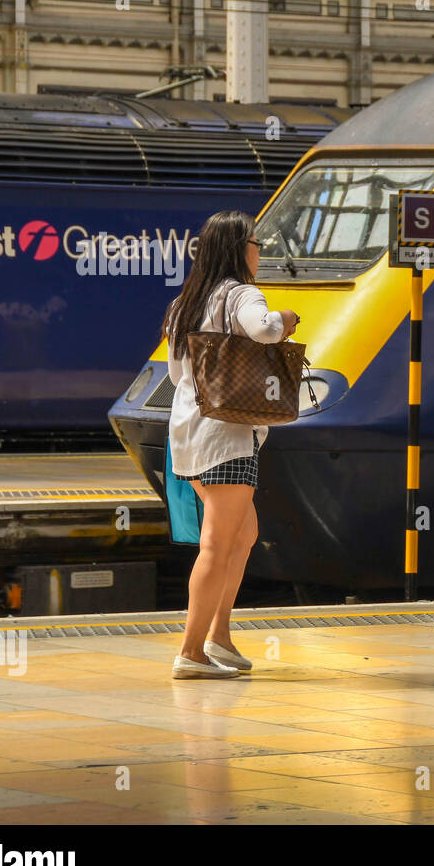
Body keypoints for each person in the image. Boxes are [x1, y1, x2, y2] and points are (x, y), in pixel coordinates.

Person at [161, 210, 299, 679]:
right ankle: (191, 652)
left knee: (243, 534)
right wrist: (286, 319)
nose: (260, 251)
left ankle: (219, 636)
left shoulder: (186, 301)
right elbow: (263, 330)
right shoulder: (242, 293)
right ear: (241, 249)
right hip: (229, 435)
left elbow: (177, 374)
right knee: (218, 545)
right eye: (257, 243)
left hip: (188, 434)